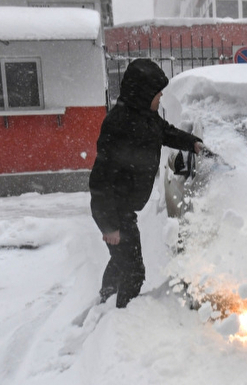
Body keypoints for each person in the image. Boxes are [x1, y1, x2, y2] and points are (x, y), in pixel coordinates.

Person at [89, 59, 203, 308]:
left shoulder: (146, 117)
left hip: (124, 209)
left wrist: (193, 142)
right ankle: (122, 318)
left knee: (121, 262)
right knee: (134, 272)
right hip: (115, 211)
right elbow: (100, 180)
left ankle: (105, 300)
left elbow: (167, 132)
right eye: (157, 93)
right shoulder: (118, 124)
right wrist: (109, 226)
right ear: (143, 93)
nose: (161, 97)